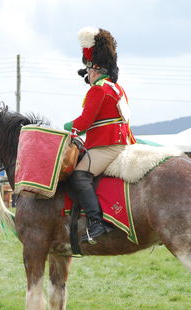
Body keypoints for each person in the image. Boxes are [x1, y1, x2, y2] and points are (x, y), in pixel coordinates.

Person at [63, 27, 136, 243]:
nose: (87, 77)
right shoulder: (117, 88)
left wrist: (67, 127)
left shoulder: (97, 90)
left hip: (108, 144)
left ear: (93, 71)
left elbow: (85, 121)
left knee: (78, 175)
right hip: (123, 141)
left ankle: (97, 222)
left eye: (88, 73)